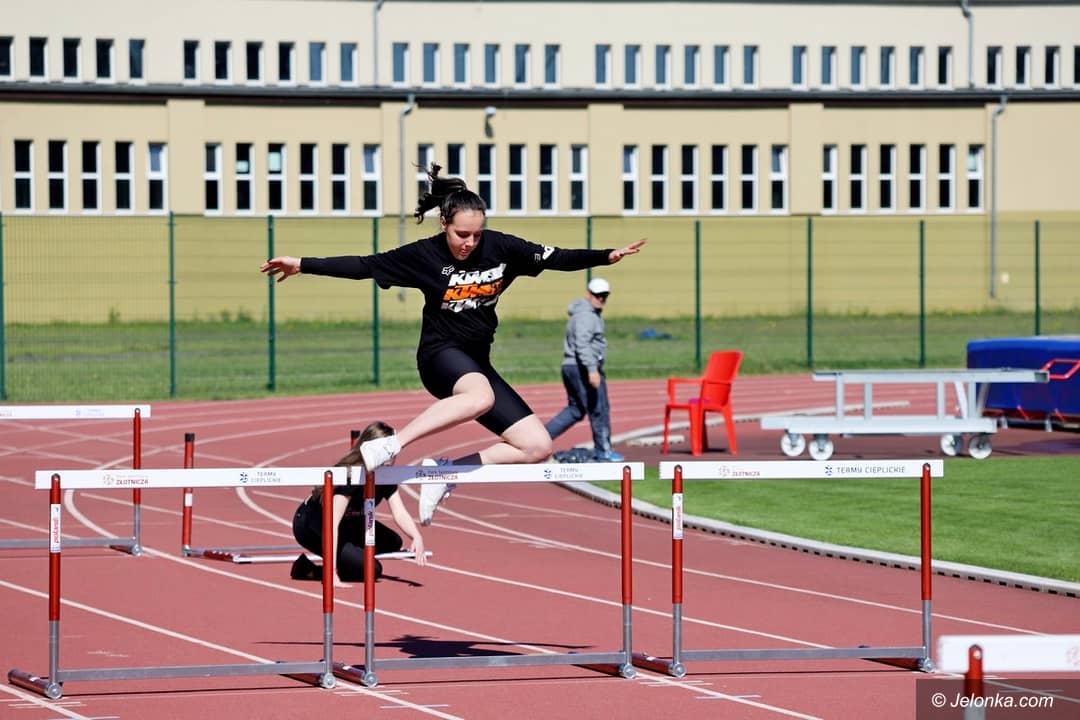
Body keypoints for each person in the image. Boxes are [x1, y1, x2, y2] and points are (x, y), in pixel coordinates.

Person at [261, 163, 645, 525]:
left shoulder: (501, 248)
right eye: (462, 235)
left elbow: (555, 256)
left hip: (477, 363)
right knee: (481, 397)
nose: (469, 243)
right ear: (444, 223)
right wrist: (303, 263)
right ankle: (393, 444)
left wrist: (605, 257)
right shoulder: (423, 255)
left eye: (477, 235)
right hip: (439, 357)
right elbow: (364, 265)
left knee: (536, 446)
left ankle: (445, 472)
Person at [290, 421, 426, 585]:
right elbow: (331, 524)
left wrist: (416, 536)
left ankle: (350, 558)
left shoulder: (385, 474)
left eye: (394, 450)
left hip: (348, 523)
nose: (392, 456)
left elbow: (399, 512)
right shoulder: (351, 477)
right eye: (387, 450)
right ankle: (310, 570)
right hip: (311, 526)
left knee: (393, 542)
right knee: (372, 570)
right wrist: (332, 572)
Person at [544, 277, 624, 462]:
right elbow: (583, 344)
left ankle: (538, 440)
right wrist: (592, 370)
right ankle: (603, 451)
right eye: (598, 295)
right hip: (581, 367)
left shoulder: (584, 314)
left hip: (572, 366)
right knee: (598, 409)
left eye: (604, 296)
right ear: (589, 294)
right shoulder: (586, 316)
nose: (601, 299)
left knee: (576, 410)